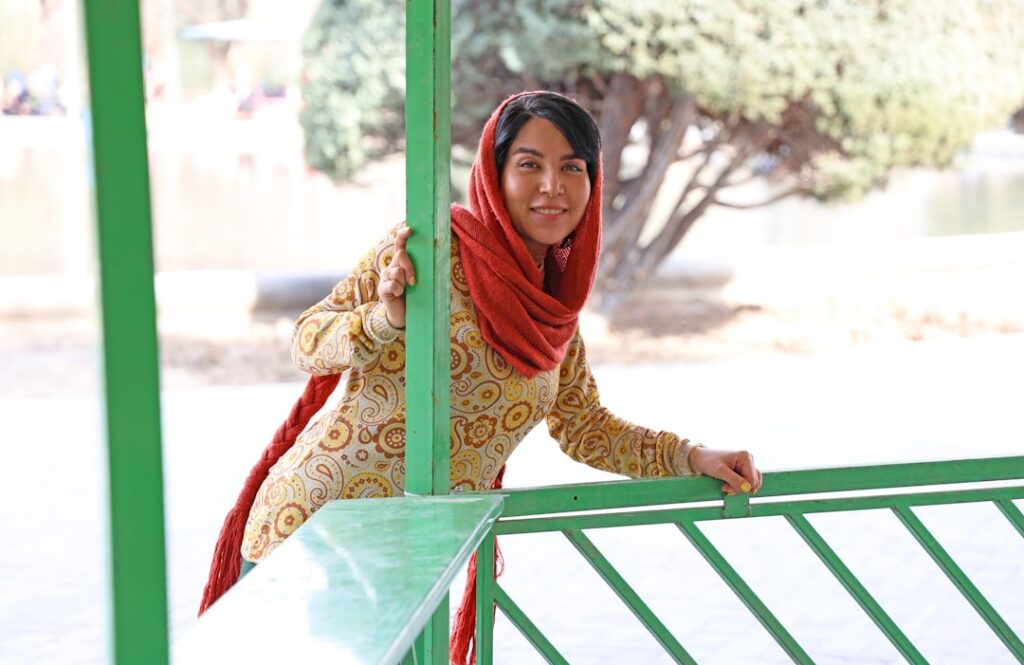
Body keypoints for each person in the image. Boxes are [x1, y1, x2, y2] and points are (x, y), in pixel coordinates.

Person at [200, 91, 762, 640]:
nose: (552, 187)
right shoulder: (430, 250)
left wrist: (693, 457)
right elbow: (305, 341)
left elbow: (587, 429)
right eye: (529, 165)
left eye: (572, 167)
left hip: (414, 558)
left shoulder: (552, 315)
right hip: (320, 533)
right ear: (494, 175)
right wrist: (383, 319)